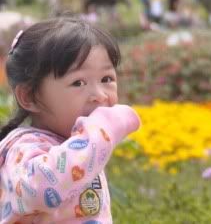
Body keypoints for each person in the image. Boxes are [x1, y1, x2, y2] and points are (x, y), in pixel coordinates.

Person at [0, 16, 141, 222]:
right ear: (30, 96)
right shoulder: (24, 148)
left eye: (106, 79)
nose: (100, 95)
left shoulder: (74, 143)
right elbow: (43, 189)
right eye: (78, 83)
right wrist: (100, 132)